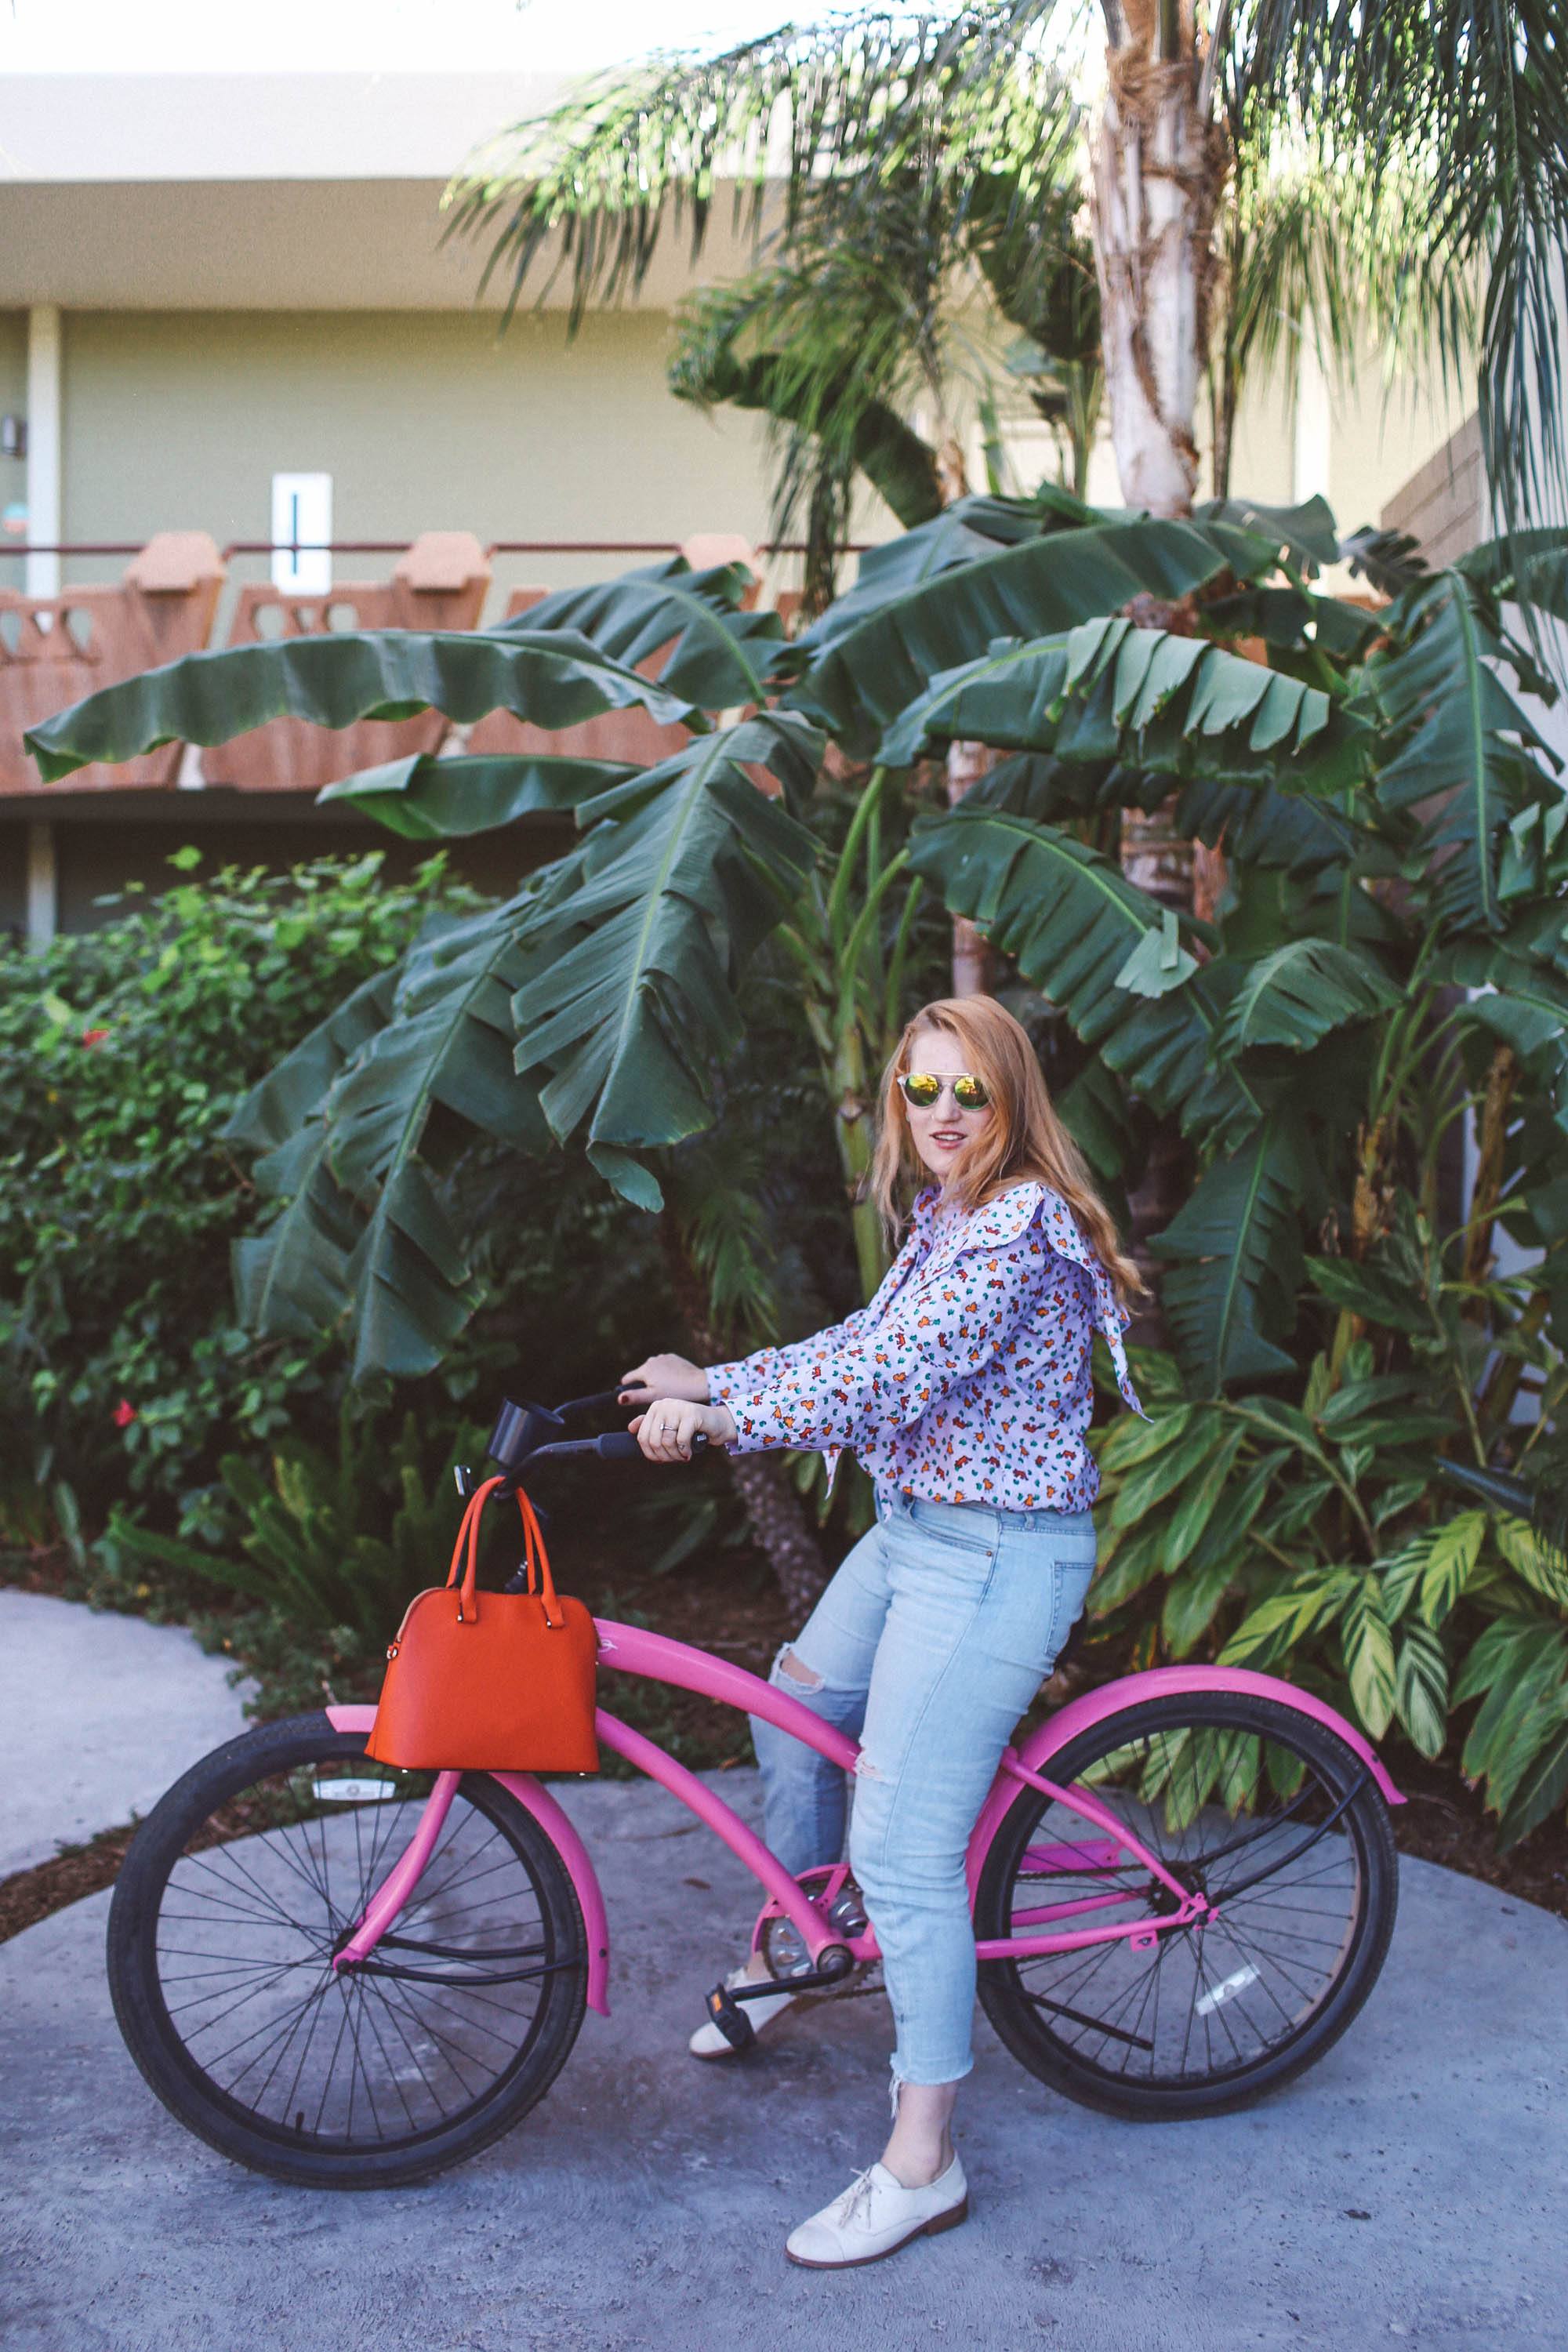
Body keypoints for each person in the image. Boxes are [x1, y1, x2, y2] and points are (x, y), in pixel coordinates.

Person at [619, 995, 1146, 2270]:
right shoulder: (945, 1217)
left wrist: (725, 1424)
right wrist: (719, 1381)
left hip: (995, 1556)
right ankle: (806, 1944)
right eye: (924, 1092)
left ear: (1011, 1097)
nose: (945, 1113)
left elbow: (884, 1382)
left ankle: (925, 2162)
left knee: (905, 1855)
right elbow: (865, 1341)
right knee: (790, 1709)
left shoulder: (1018, 1226)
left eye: (969, 1090)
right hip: (917, 1535)